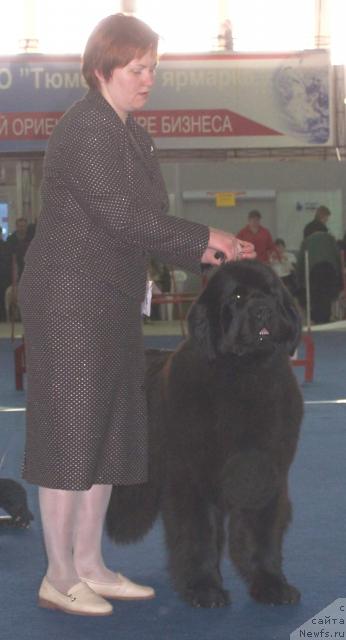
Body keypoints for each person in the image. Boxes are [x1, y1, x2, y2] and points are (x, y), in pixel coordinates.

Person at [18, 13, 255, 617]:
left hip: (116, 298)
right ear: (103, 67)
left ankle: (91, 564)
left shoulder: (134, 135)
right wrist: (209, 232)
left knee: (109, 435)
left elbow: (141, 224)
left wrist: (202, 247)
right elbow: (122, 217)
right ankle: (58, 573)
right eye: (138, 68)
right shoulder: (85, 127)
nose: (149, 78)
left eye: (154, 67)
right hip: (70, 301)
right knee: (71, 435)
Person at [296, 231, 343, 324]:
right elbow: (338, 257)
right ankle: (326, 318)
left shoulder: (306, 241)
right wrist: (340, 278)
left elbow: (300, 262)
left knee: (316, 296)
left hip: (314, 269)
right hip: (330, 268)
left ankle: (317, 319)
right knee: (327, 296)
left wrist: (300, 281)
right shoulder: (331, 238)